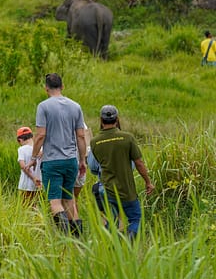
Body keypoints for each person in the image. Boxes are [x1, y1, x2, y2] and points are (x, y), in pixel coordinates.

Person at [31, 73, 87, 237]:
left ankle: (64, 237)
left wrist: (34, 157)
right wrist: (82, 160)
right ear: (62, 87)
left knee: (55, 201)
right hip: (71, 160)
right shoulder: (75, 106)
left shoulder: (43, 106)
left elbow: (40, 135)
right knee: (69, 200)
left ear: (46, 88)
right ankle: (78, 239)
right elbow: (81, 136)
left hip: (52, 161)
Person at [91, 105, 155, 240]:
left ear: (101, 120)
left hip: (107, 190)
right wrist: (148, 182)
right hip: (127, 190)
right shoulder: (127, 138)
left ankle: (111, 246)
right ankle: (126, 241)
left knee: (111, 221)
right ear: (117, 119)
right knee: (136, 218)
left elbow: (94, 165)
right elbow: (138, 163)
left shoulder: (94, 142)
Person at [16, 126, 42, 203]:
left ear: (19, 140)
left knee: (26, 207)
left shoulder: (21, 149)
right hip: (39, 183)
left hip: (25, 185)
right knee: (36, 205)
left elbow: (23, 166)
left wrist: (33, 178)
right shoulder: (41, 149)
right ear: (32, 136)